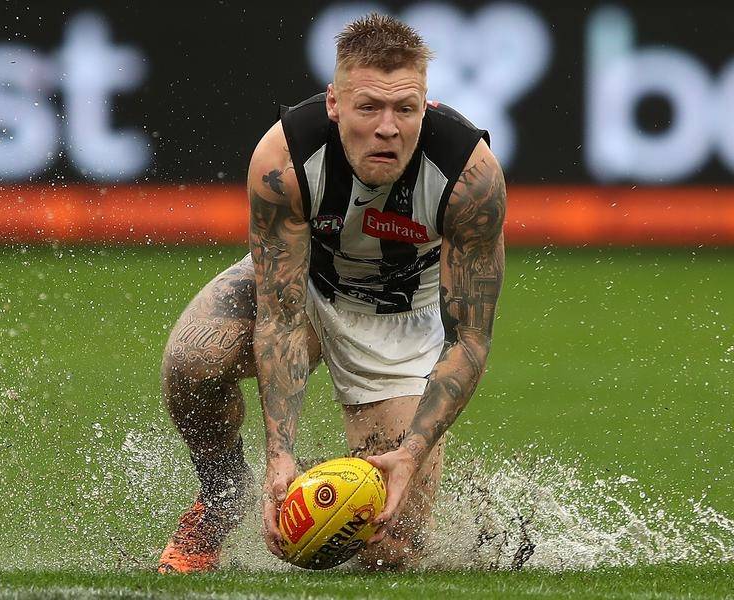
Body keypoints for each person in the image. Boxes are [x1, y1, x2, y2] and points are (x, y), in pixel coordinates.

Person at [157, 12, 506, 573]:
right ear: (334, 104)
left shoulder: (471, 178)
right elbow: (281, 318)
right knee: (194, 359)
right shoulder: (284, 161)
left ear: (426, 106)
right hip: (305, 285)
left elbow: (469, 340)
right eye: (368, 107)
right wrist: (280, 456)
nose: (388, 127)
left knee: (389, 550)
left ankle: (351, 479)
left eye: (405, 108)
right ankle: (224, 496)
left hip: (400, 318)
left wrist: (411, 453)